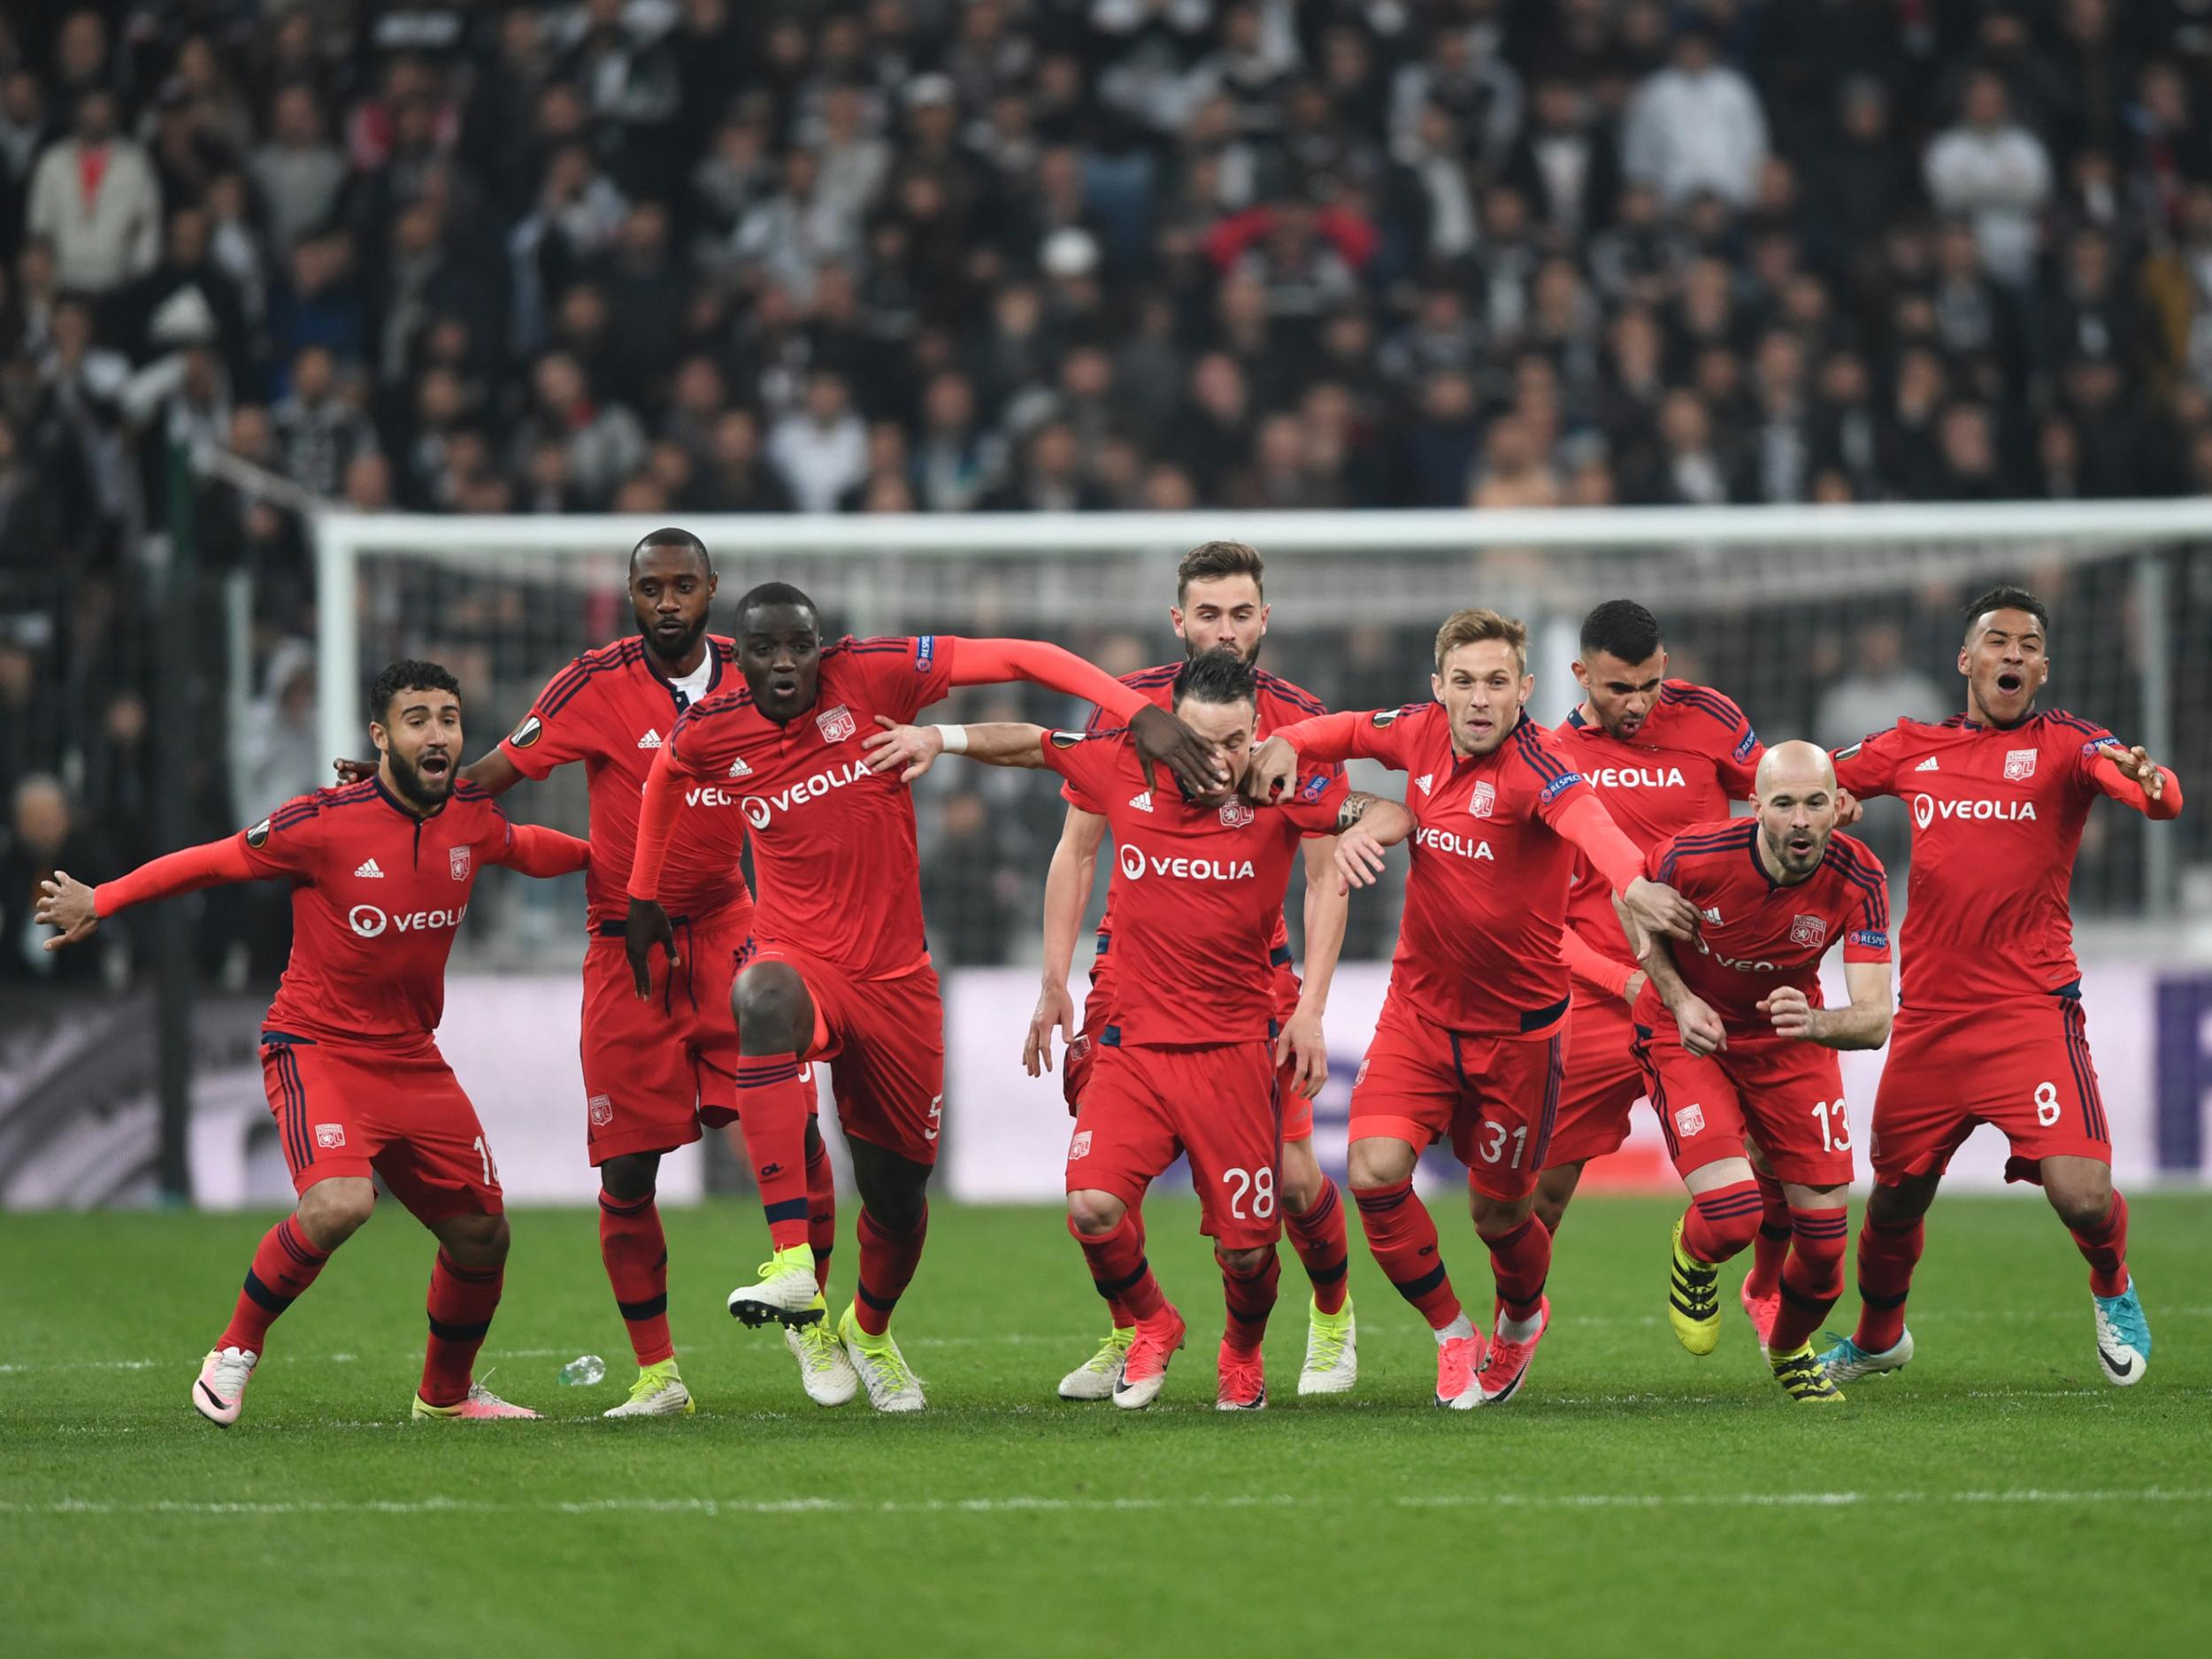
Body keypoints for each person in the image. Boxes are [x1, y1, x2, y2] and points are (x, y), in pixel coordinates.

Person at [624, 584, 1224, 1411]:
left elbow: (1023, 655)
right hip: (801, 958)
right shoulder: (712, 727)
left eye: (801, 645)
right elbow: (663, 774)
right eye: (765, 649)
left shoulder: (872, 674)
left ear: (822, 644)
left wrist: (1134, 711)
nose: (786, 663)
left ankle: (868, 1328)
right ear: (740, 652)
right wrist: (643, 894)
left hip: (897, 983)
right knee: (758, 996)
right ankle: (792, 1264)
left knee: (899, 1198)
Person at [37, 661, 589, 1425]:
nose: (438, 733)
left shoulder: (470, 818)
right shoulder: (322, 822)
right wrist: (104, 896)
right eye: (417, 718)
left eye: (449, 718)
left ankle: (447, 1396)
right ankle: (232, 1353)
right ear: (380, 735)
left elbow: (532, 846)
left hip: (412, 1058)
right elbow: (212, 860)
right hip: (316, 1046)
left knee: (482, 1235)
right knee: (338, 1202)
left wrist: (624, 868)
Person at [862, 650, 1382, 1409]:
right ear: (1171, 720)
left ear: (1257, 732)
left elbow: (1376, 812)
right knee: (1092, 1207)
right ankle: (1152, 1321)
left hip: (1235, 1051)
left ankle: (1242, 1349)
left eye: (1236, 740)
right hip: (1132, 1045)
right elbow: (1033, 741)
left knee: (1247, 1251)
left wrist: (1381, 824)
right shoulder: (1123, 763)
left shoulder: (1282, 787)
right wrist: (939, 740)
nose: (1219, 758)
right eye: (1202, 740)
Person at [334, 529, 779, 1417]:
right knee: (626, 1172)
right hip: (625, 945)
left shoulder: (760, 669)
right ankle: (658, 1375)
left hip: (731, 927)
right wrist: (401, 793)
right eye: (649, 586)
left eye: (682, 586)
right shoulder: (593, 681)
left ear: (711, 591)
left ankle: (823, 1338)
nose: (665, 601)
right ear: (629, 592)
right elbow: (495, 771)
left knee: (783, 1133)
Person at [1248, 609, 1699, 1408]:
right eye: (1465, 682)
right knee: (1372, 1172)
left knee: (1501, 1215)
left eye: (1497, 682)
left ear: (1525, 688)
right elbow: (1348, 727)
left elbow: (1593, 828)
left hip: (1518, 1039)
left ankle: (1521, 1319)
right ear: (1439, 688)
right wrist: (1291, 742)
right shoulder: (1418, 732)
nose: (1481, 698)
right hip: (1417, 1018)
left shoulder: (1542, 768)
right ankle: (1454, 1334)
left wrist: (1634, 883)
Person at [1021, 541, 1360, 1402]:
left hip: (1252, 981)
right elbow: (1075, 850)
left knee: (1289, 1181)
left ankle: (1330, 1311)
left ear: (1264, 619)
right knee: (1105, 1181)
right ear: (1179, 621)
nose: (1225, 629)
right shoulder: (1125, 711)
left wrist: (1312, 1007)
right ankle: (1134, 1327)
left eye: (1240, 613)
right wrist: (1054, 977)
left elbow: (1325, 877)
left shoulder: (1299, 723)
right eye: (1207, 614)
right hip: (1126, 980)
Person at [1821, 588, 2181, 1388]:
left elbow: (2158, 798)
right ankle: (1881, 1338)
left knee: (2083, 1195)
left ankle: (2113, 1285)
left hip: (2029, 1013)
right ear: (1966, 660)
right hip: (1933, 1020)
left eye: (2028, 645)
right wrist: (1825, 802)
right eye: (1998, 641)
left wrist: (2148, 782)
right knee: (1891, 1205)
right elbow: (1814, 780)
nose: (2012, 654)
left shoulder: (2070, 745)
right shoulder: (1913, 746)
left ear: (2045, 669)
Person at [1630, 742, 1894, 1404]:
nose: (1800, 820)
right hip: (1690, 1032)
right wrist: (1679, 995)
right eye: (1783, 803)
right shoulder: (1695, 855)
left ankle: (1789, 1348)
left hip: (1789, 1038)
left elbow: (1874, 1019)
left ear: (1838, 806)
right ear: (1757, 808)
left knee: (1829, 1256)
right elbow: (1629, 899)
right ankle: (1694, 1254)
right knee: (1731, 1216)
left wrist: (1814, 1022)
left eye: (1814, 802)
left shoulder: (1859, 877)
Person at [1540, 601, 1765, 1242]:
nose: (1636, 703)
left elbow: (1778, 797)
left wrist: (1830, 797)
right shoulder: (1551, 758)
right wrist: (1626, 983)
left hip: (1710, 990)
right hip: (1601, 998)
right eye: (1618, 688)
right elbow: (1542, 925)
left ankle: (1766, 1296)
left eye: (1648, 685)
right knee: (1537, 1199)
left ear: (1664, 666)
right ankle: (1514, 1333)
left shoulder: (1711, 716)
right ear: (1582, 673)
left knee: (1779, 1168)